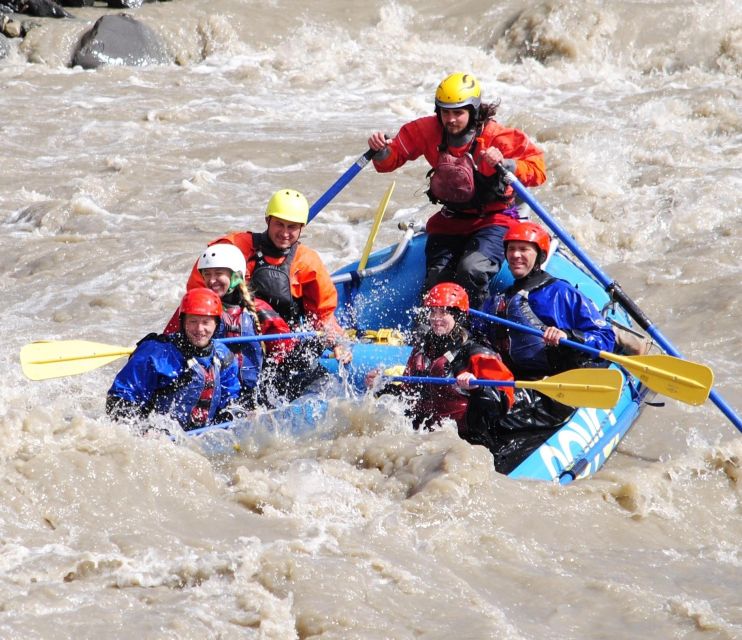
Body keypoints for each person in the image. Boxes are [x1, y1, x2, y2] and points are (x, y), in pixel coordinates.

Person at [368, 72, 546, 309]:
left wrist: (508, 164)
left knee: (471, 269)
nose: (450, 119)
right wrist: (381, 151)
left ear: (473, 112)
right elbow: (392, 159)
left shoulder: (496, 136)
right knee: (437, 279)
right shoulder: (427, 129)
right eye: (445, 112)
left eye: (458, 113)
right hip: (450, 220)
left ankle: (474, 330)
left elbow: (538, 170)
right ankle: (435, 331)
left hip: (494, 220)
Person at [473, 221, 617, 471]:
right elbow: (477, 338)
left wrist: (569, 336)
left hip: (555, 389)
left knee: (485, 407)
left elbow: (604, 337)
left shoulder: (560, 293)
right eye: (511, 249)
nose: (516, 255)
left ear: (539, 256)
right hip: (516, 383)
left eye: (524, 250)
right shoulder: (500, 300)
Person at [185, 188, 351, 365]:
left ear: (302, 227)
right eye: (279, 224)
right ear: (267, 220)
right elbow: (196, 295)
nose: (285, 233)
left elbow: (323, 315)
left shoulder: (307, 262)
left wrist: (338, 343)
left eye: (292, 227)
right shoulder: (234, 247)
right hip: (230, 332)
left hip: (280, 342)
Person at [368, 282, 515, 445]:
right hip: (423, 434)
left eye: (443, 312)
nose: (436, 318)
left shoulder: (477, 353)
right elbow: (408, 394)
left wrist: (479, 388)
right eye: (433, 311)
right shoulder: (422, 350)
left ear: (457, 316)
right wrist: (379, 386)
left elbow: (503, 404)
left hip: (466, 440)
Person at [106, 288, 241, 431]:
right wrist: (143, 430)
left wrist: (231, 416)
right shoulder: (155, 354)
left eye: (206, 322)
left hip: (201, 436)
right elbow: (119, 401)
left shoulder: (223, 356)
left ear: (217, 324)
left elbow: (231, 398)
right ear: (183, 323)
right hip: (159, 436)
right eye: (193, 321)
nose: (200, 329)